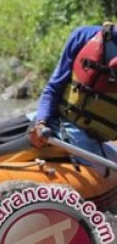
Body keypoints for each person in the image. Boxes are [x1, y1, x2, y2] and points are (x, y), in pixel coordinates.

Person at [28, 23, 117, 167]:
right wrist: (41, 122)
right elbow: (53, 88)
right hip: (49, 126)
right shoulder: (84, 35)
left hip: (87, 145)